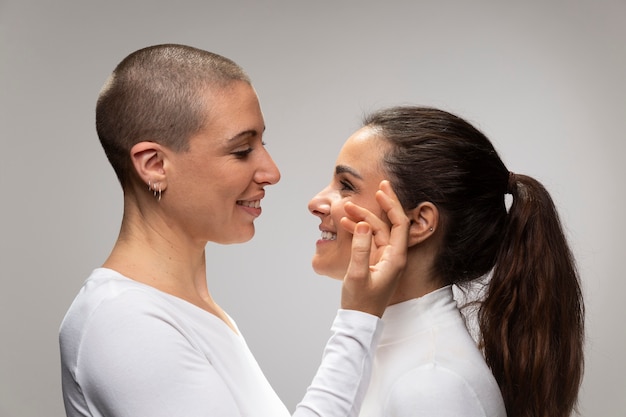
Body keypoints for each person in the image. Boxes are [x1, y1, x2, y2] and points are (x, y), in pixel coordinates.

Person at [59, 44, 410, 417]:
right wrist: (358, 319)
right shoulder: (125, 324)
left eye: (263, 143)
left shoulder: (185, 311)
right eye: (242, 150)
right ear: (155, 164)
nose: (271, 172)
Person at [308, 106, 585, 417]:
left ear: (417, 223)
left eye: (346, 185)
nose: (316, 202)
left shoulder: (433, 384)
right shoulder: (394, 359)